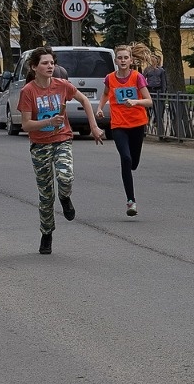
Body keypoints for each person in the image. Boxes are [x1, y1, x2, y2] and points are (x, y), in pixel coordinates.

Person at [18, 47, 105, 255]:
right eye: (45, 63)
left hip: (62, 139)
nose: (50, 66)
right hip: (39, 145)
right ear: (34, 67)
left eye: (52, 63)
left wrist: (93, 127)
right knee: (46, 196)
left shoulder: (62, 85)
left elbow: (84, 100)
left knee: (66, 177)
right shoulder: (28, 91)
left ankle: (65, 198)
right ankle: (47, 233)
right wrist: (48, 121)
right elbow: (26, 125)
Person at [97, 43, 154, 217]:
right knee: (126, 158)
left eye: (125, 58)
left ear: (131, 60)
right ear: (115, 60)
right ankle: (131, 201)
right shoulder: (110, 78)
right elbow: (106, 93)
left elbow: (149, 101)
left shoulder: (137, 77)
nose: (123, 60)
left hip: (137, 124)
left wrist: (135, 102)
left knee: (133, 162)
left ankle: (131, 165)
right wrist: (100, 107)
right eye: (120, 58)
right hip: (119, 125)